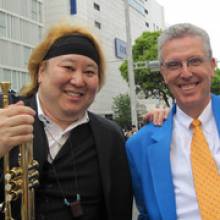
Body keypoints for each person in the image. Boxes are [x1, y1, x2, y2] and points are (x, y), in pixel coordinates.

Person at [0, 22, 133, 220]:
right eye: (68, 67)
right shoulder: (5, 115)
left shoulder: (110, 136)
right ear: (41, 72)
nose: (79, 81)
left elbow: (120, 208)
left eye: (89, 72)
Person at [126, 23, 220, 220]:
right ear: (163, 73)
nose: (185, 73)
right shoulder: (140, 146)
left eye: (194, 61)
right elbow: (146, 213)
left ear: (212, 66)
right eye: (174, 65)